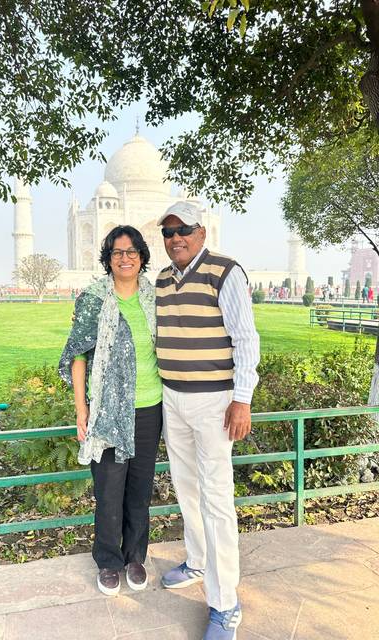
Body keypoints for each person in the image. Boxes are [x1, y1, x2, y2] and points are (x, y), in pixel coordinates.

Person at [155, 201, 260, 640]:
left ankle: (225, 604)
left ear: (202, 232)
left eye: (185, 230)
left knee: (216, 499)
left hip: (215, 402)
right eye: (169, 232)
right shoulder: (162, 279)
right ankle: (197, 561)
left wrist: (242, 399)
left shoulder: (225, 270)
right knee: (186, 486)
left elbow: (245, 338)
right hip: (172, 398)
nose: (176, 238)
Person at [59, 225, 162, 597]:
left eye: (132, 251)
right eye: (118, 252)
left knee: (139, 488)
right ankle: (108, 560)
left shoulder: (154, 297)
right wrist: (81, 409)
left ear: (142, 257)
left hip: (150, 408)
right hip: (106, 411)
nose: (125, 257)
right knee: (109, 488)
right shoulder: (94, 298)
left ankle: (135, 556)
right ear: (108, 258)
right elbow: (77, 355)